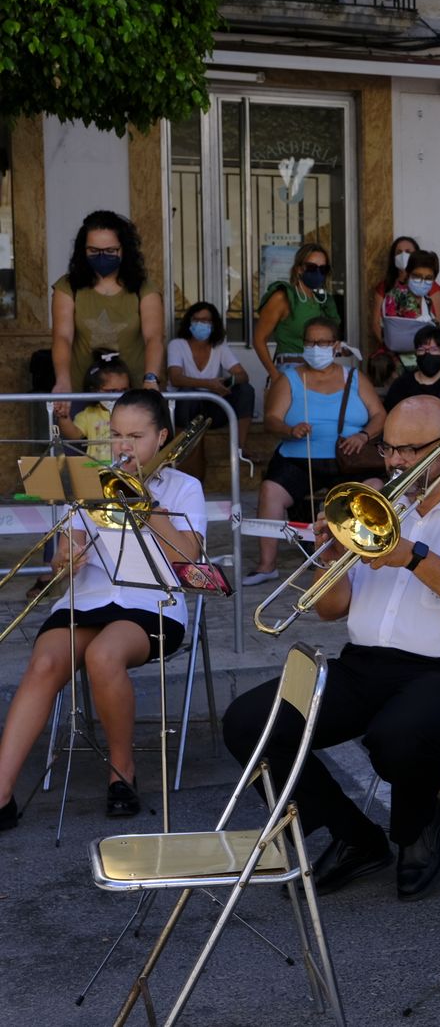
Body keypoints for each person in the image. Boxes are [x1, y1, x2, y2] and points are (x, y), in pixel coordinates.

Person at [223, 396, 440, 900]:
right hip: (367, 665)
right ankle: (354, 837)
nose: (396, 463)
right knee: (248, 722)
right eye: (389, 449)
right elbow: (332, 609)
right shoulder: (383, 506)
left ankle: (419, 825)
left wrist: (411, 555)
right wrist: (328, 557)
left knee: (398, 735)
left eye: (411, 451)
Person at [0, 389, 207, 831]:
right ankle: (0, 793)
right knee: (45, 663)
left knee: (103, 655)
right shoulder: (88, 479)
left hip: (153, 601)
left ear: (162, 437)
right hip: (90, 596)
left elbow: (188, 560)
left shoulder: (185, 487)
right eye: (116, 435)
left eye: (135, 436)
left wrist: (145, 502)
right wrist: (65, 560)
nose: (122, 446)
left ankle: (122, 771)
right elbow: (65, 556)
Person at [243, 317, 386, 587]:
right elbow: (271, 420)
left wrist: (363, 435)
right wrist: (290, 429)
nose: (315, 348)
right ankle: (266, 565)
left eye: (322, 343)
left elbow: (379, 414)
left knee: (374, 487)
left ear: (336, 346)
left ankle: (361, 558)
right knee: (270, 491)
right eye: (310, 343)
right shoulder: (288, 379)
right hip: (299, 459)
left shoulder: (354, 378)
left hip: (349, 460)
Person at [51, 210, 164, 398]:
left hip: (136, 393)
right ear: (83, 250)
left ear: (124, 249)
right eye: (94, 251)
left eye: (111, 251)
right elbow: (62, 337)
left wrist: (151, 379)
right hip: (82, 393)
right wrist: (62, 381)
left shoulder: (143, 288)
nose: (102, 256)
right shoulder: (68, 287)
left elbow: (154, 338)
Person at [167, 301, 256, 478]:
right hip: (185, 408)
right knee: (187, 395)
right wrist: (209, 384)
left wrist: (226, 383)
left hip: (212, 407)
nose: (201, 324)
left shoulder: (219, 346)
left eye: (206, 320)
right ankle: (182, 450)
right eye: (197, 320)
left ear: (214, 324)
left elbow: (243, 375)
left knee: (245, 390)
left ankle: (240, 447)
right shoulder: (177, 345)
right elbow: (175, 378)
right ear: (189, 322)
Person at [253, 242, 340, 376]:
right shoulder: (283, 297)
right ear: (299, 269)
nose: (317, 272)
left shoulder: (324, 301)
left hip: (323, 371)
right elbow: (259, 339)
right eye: (311, 267)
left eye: (323, 269)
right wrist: (275, 375)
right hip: (291, 369)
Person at [369, 236, 440, 350]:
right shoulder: (386, 288)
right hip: (392, 352)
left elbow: (436, 322)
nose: (403, 256)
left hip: (422, 352)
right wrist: (390, 347)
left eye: (408, 252)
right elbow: (376, 324)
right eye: (399, 252)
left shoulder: (430, 286)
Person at [382, 325, 440, 419]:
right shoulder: (401, 386)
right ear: (416, 354)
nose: (427, 354)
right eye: (421, 350)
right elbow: (389, 419)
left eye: (434, 349)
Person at [56, 358, 131, 460]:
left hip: (124, 466)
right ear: (94, 391)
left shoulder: (132, 414)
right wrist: (63, 416)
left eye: (124, 390)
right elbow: (73, 434)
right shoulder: (89, 414)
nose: (118, 396)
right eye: (111, 391)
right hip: (95, 466)